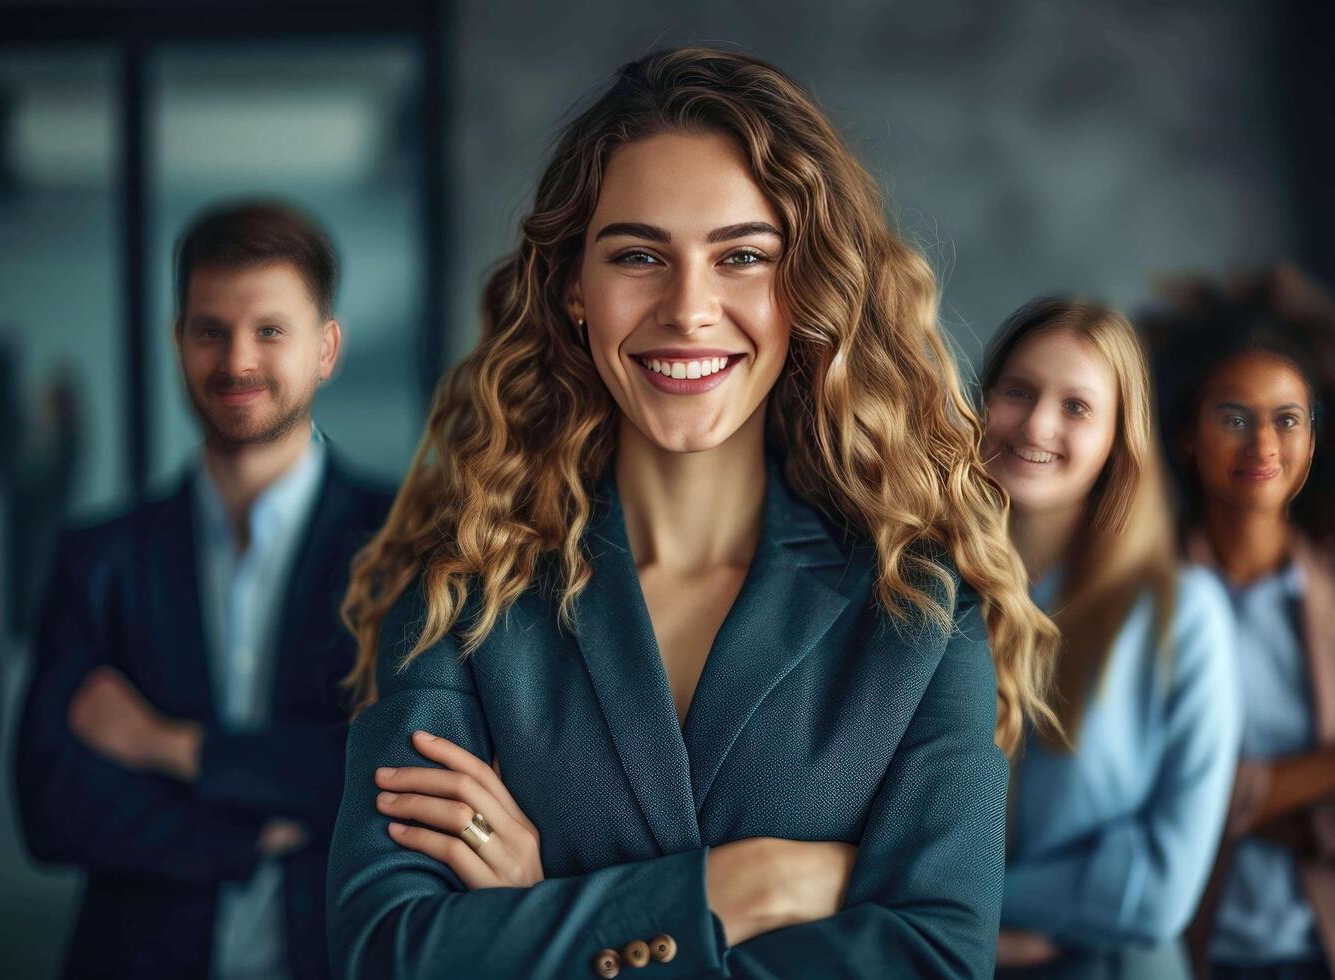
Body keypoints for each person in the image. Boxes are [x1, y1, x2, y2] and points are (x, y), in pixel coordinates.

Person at [326, 47, 1056, 979]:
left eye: (742, 257)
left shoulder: (918, 607)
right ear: (572, 292)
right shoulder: (460, 600)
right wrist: (735, 889)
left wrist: (555, 912)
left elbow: (936, 959)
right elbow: (386, 954)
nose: (689, 309)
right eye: (638, 256)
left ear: (808, 295)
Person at [14, 202, 394, 979]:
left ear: (327, 349)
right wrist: (250, 833)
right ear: (177, 341)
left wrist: (166, 746)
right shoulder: (100, 558)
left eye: (270, 331)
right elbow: (52, 805)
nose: (236, 361)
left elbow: (393, 775)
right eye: (209, 330)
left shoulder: (407, 547)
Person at [1144, 273, 1335, 980]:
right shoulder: (1140, 603)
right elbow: (1130, 791)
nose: (1262, 442)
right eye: (1233, 417)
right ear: (1185, 436)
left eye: (1287, 418)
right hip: (1187, 958)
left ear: (1311, 441)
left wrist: (1289, 820)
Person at [981, 299, 1240, 978]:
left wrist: (965, 914)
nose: (1037, 423)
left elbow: (1159, 887)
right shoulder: (924, 595)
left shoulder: (1185, 617)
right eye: (1018, 391)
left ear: (1120, 438)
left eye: (1076, 407)